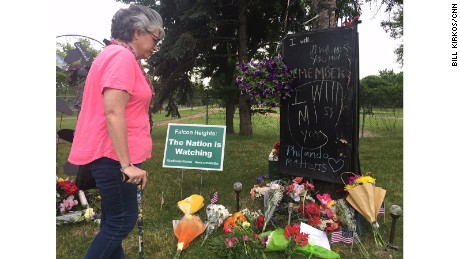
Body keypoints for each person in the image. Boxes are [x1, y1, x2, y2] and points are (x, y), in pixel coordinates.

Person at [68, 5, 165, 258]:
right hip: (113, 157)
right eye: (155, 38)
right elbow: (113, 112)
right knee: (122, 220)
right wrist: (126, 165)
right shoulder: (120, 58)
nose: (156, 46)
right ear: (137, 32)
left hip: (111, 154)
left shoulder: (116, 55)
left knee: (113, 220)